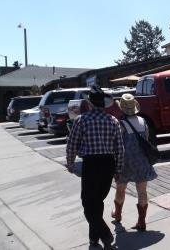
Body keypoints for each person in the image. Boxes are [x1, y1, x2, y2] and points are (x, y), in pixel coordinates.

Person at [66, 85, 124, 250]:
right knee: (97, 202)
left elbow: (72, 144)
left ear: (90, 103)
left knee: (88, 203)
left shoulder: (81, 120)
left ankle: (105, 235)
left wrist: (70, 162)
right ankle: (94, 239)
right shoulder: (113, 121)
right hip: (108, 164)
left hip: (91, 165)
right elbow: (120, 148)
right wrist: (118, 170)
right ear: (103, 104)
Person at [111, 93, 157, 231]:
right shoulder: (143, 122)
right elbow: (147, 139)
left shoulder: (121, 124)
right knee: (142, 191)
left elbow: (116, 144)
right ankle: (141, 222)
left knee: (121, 189)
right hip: (142, 161)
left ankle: (117, 214)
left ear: (122, 108)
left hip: (125, 162)